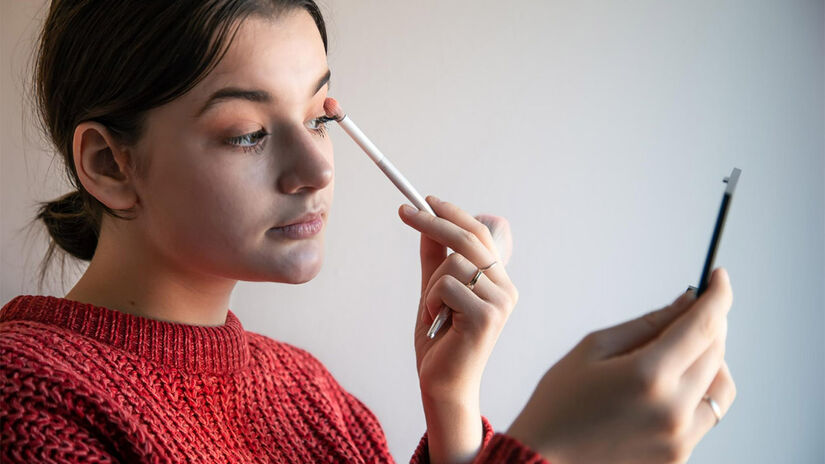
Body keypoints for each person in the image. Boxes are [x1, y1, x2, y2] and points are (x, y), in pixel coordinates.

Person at [0, 1, 736, 463]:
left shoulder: (311, 396)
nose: (317, 167)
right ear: (108, 163)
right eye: (250, 132)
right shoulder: (26, 398)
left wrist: (452, 409)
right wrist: (553, 452)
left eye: (321, 115)